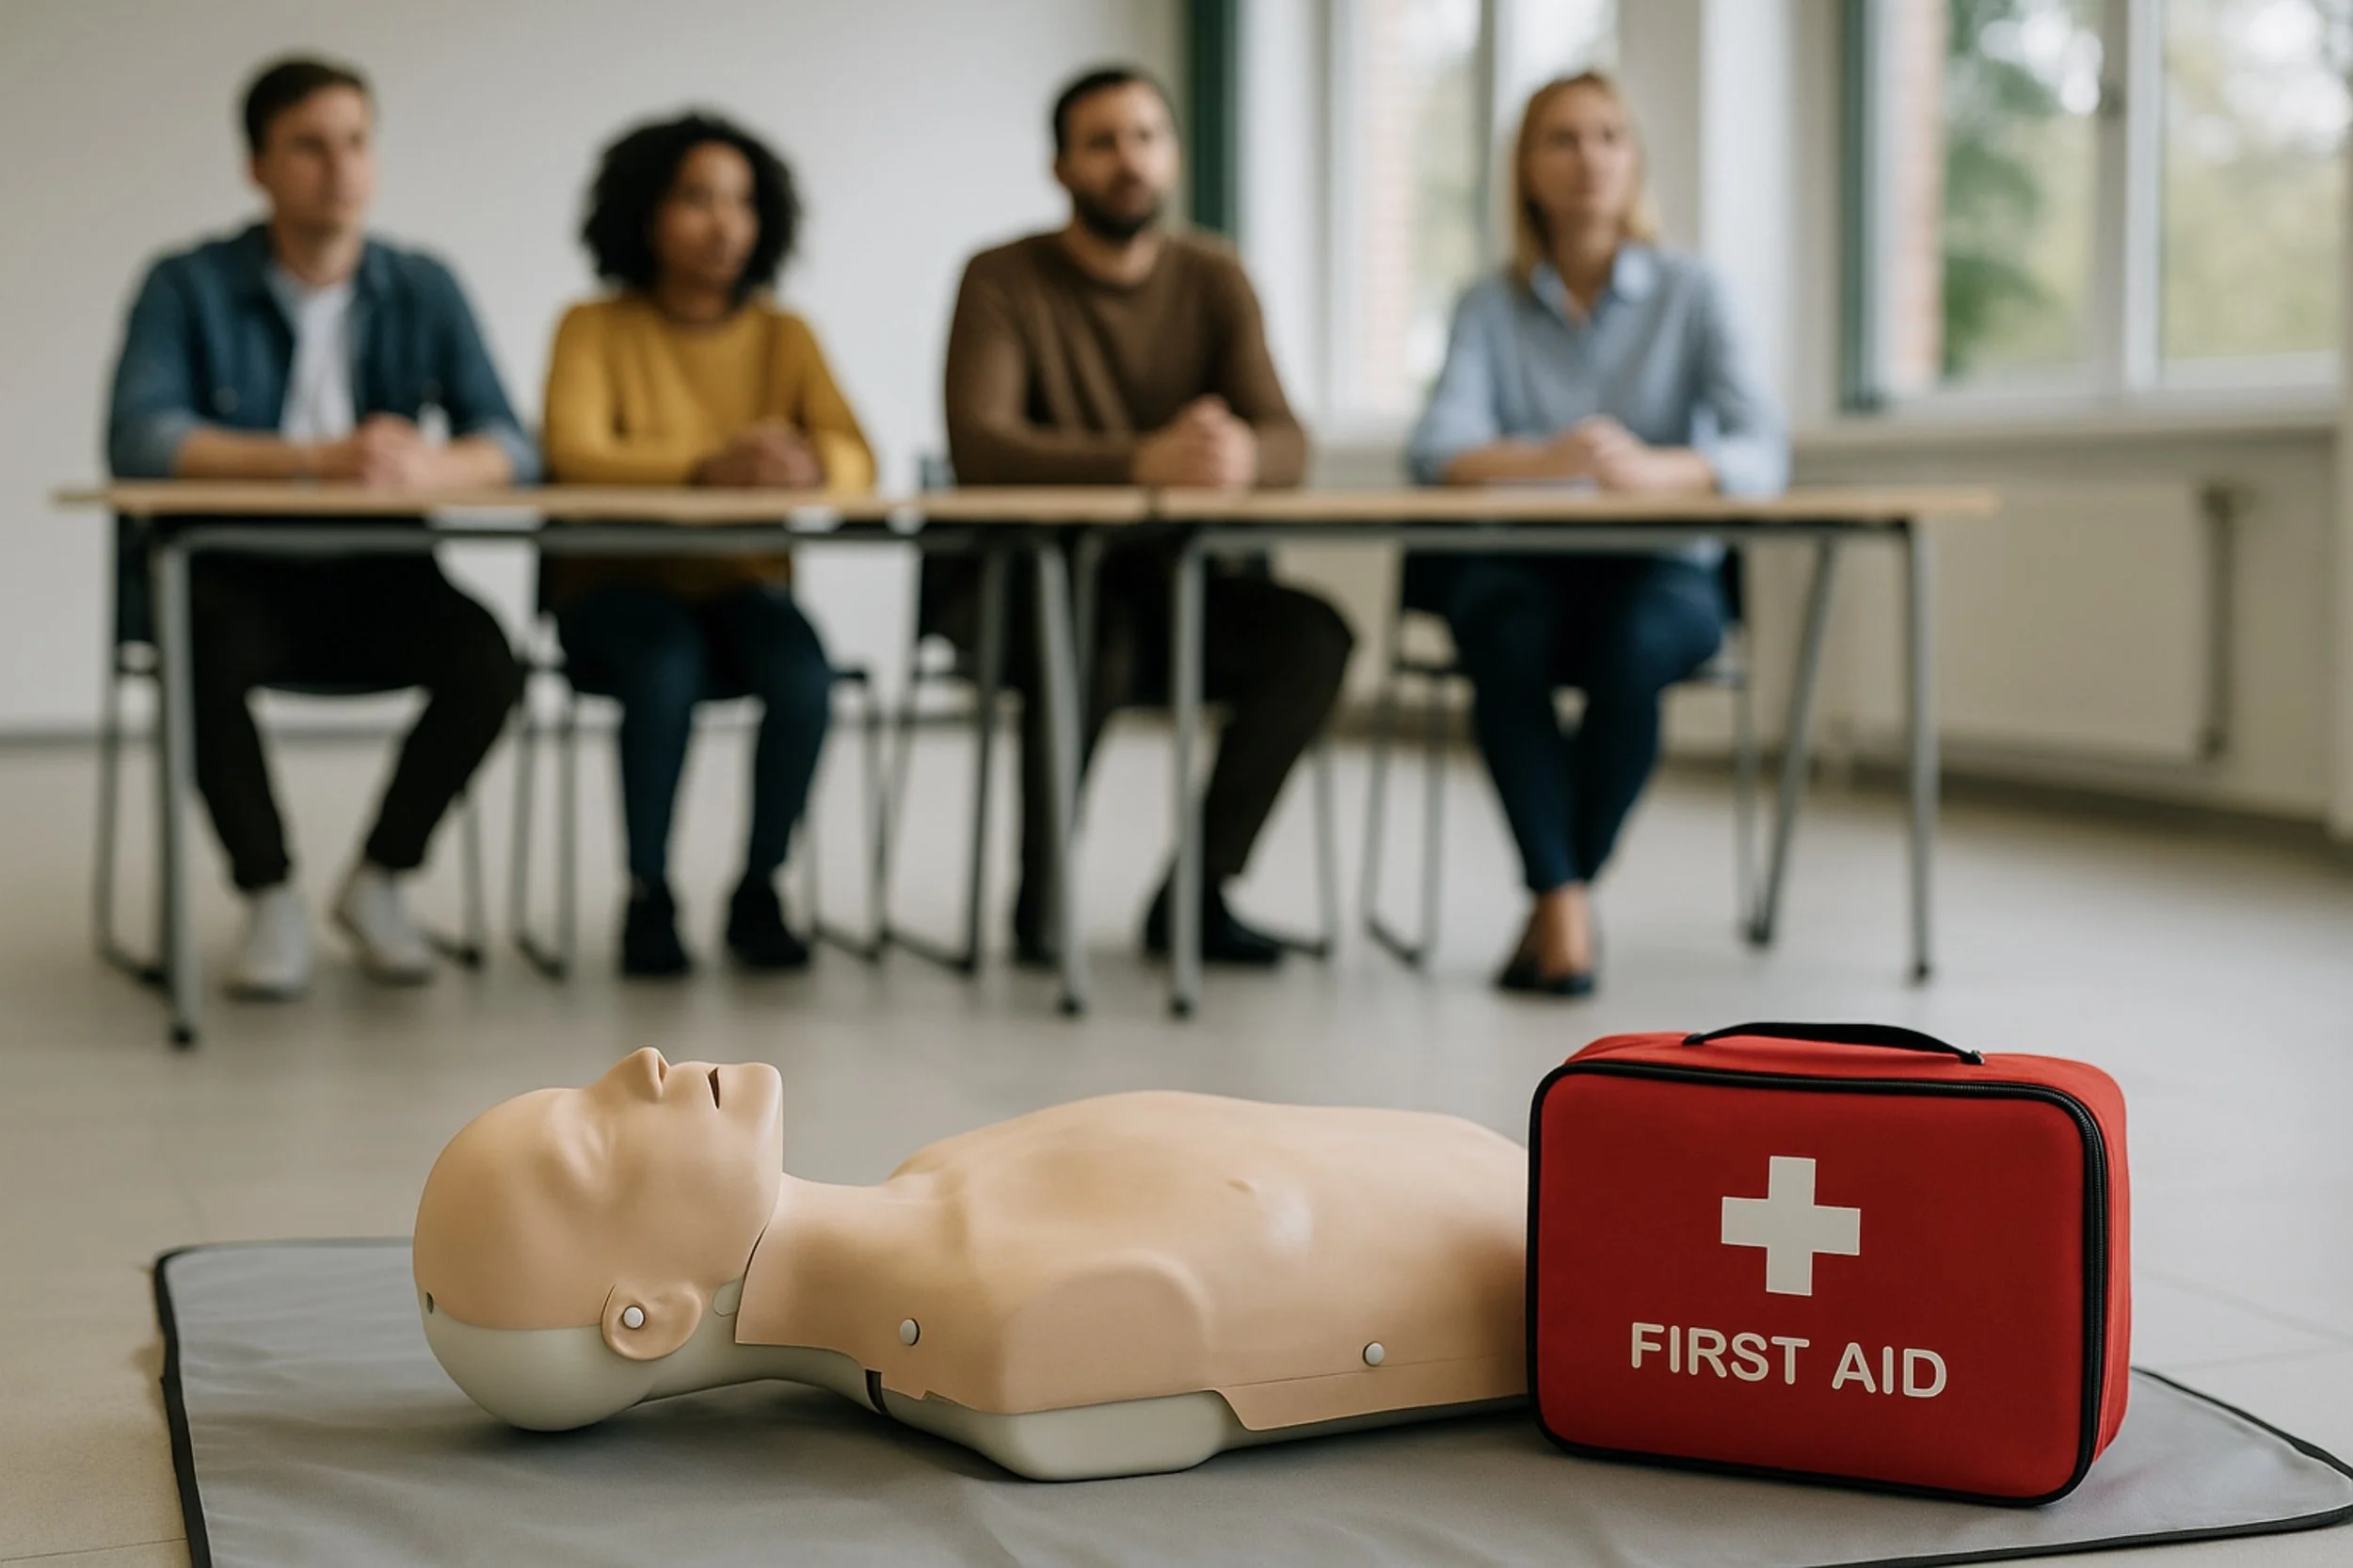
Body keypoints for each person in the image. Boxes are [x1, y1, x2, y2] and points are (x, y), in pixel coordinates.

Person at [412, 1049, 1526, 1478]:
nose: (636, 1063)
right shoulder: (1018, 1322)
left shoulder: (945, 1175)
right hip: (1562, 1244)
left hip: (1533, 1184)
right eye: (592, 1141)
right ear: (646, 1316)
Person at [105, 56, 533, 1000]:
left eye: (355, 141)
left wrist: (428, 467)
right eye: (308, 145)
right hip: (236, 566)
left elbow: (510, 439)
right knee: (199, 643)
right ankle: (269, 894)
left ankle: (382, 876)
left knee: (487, 659)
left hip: (382, 569)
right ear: (257, 166)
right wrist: (310, 458)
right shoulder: (188, 284)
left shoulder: (422, 284)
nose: (338, 167)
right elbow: (140, 438)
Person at [938, 66, 1353, 970]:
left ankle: (1199, 893)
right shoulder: (1001, 278)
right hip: (1025, 585)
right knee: (1093, 635)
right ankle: (1040, 895)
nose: (1129, 159)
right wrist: (1142, 459)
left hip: (1178, 584)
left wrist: (1241, 456)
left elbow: (1287, 437)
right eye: (1103, 141)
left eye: (1146, 136)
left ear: (1171, 153)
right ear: (1061, 166)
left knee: (1313, 639)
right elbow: (982, 446)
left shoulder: (1213, 274)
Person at [1404, 72, 1787, 1000]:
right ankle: (1566, 898)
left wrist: (1660, 469)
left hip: (1661, 569)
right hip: (1525, 567)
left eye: (1609, 136)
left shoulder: (1695, 292)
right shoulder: (1487, 305)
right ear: (1526, 170)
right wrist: (1547, 460)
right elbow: (1434, 449)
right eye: (1562, 139)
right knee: (1501, 634)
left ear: (1635, 162)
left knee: (1634, 648)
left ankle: (1555, 899)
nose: (1589, 159)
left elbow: (1760, 449)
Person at [541, 114, 874, 979]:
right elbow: (574, 454)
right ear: (645, 214)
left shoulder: (783, 335)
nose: (725, 223)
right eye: (698, 199)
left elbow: (856, 457)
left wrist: (805, 463)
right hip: (612, 591)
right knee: (663, 664)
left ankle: (761, 887)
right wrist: (707, 466)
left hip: (740, 587)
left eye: (742, 202)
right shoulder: (593, 327)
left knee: (803, 672)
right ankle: (648, 894)